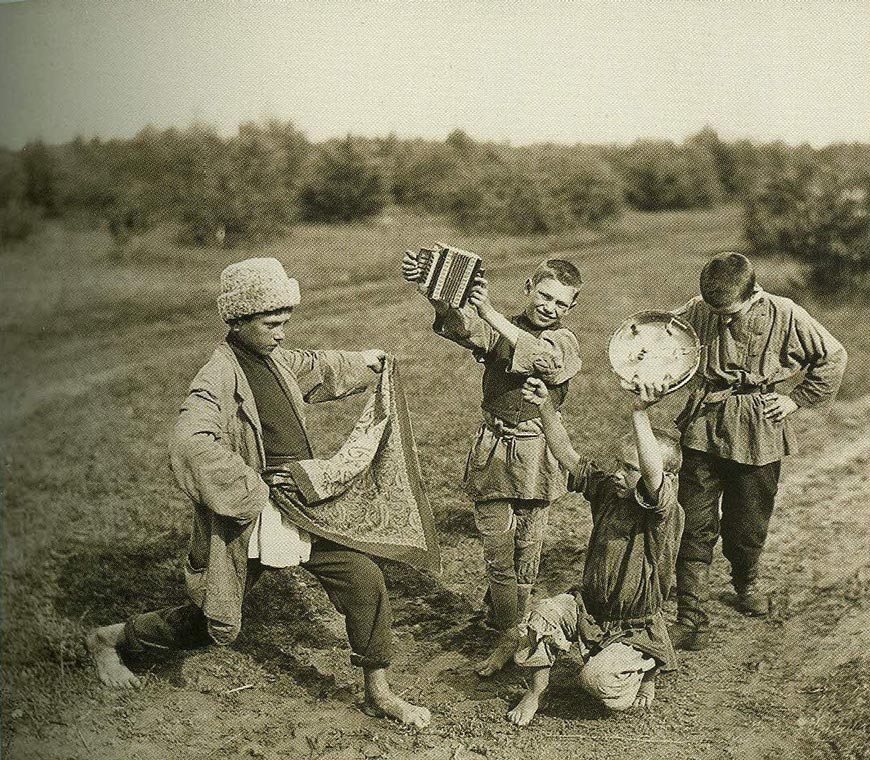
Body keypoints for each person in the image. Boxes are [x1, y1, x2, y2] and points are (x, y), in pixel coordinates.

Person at [86, 257, 430, 728]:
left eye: (286, 322)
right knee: (212, 622)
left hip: (301, 507)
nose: (282, 332)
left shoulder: (275, 359)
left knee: (364, 579)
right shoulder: (217, 377)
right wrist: (254, 488)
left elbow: (318, 367)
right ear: (239, 320)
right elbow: (190, 442)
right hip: (252, 514)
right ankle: (111, 640)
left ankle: (379, 692)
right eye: (272, 323)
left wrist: (369, 363)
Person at [402, 253, 583, 676]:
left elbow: (546, 362)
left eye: (560, 303)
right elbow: (463, 328)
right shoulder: (502, 326)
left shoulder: (565, 341)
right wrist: (436, 294)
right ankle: (509, 631)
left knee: (527, 550)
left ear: (571, 309)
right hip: (493, 451)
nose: (549, 308)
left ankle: (512, 623)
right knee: (498, 553)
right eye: (544, 296)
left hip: (537, 454)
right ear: (528, 287)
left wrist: (491, 312)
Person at [668, 252, 847, 650]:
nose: (723, 320)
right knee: (692, 520)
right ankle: (689, 615)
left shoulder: (785, 313)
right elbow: (659, 338)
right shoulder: (698, 310)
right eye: (717, 313)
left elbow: (833, 356)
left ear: (753, 294)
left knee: (747, 522)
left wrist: (796, 399)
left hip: (758, 426)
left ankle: (745, 583)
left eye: (731, 313)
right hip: (704, 425)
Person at [506, 376, 683, 725]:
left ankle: (647, 665)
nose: (618, 473)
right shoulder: (610, 490)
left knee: (599, 685)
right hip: (591, 609)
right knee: (542, 614)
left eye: (629, 469)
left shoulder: (663, 512)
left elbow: (653, 474)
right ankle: (535, 692)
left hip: (634, 625)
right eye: (618, 464)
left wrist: (639, 412)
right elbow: (568, 456)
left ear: (667, 479)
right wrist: (544, 406)